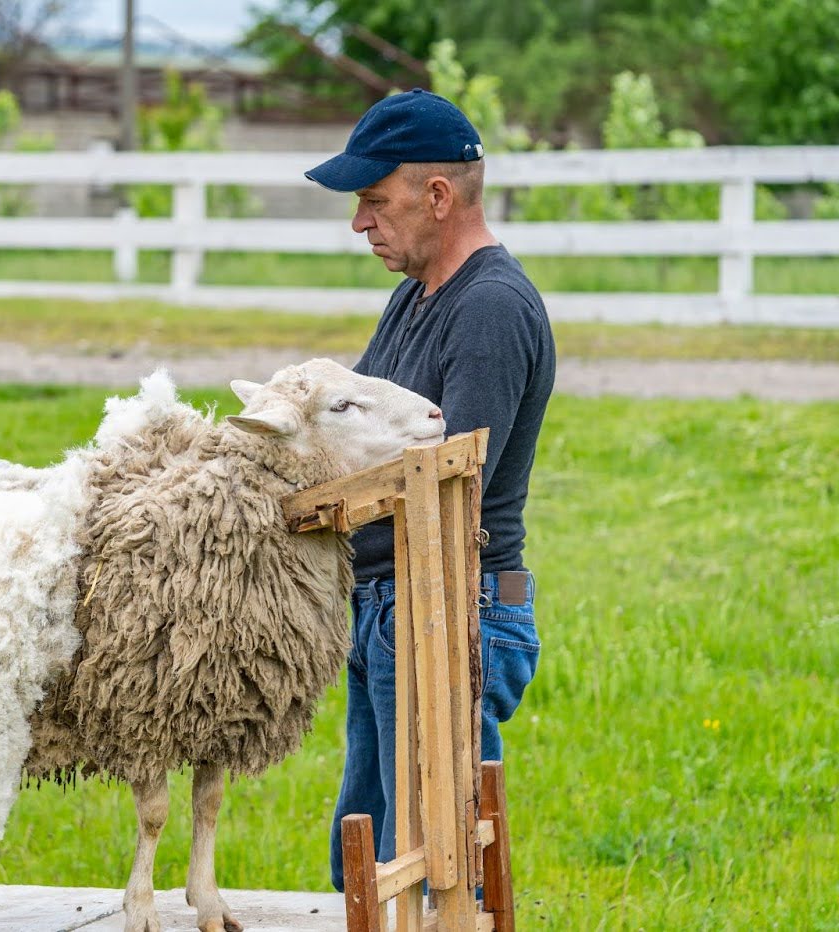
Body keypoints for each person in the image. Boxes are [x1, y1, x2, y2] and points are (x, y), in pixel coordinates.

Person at [302, 90, 557, 892]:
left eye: (374, 201)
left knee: (435, 870)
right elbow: (357, 426)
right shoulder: (418, 294)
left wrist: (299, 507)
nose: (360, 224)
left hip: (456, 602)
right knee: (375, 863)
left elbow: (452, 487)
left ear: (437, 196)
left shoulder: (488, 309)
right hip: (397, 601)